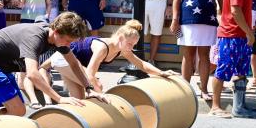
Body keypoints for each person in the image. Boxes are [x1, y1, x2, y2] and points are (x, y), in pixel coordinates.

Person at [0, 12, 94, 116]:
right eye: (67, 41)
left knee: (18, 111)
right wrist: (59, 98)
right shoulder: (35, 37)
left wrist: (89, 88)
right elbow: (32, 74)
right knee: (17, 110)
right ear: (56, 31)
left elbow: (74, 64)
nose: (68, 45)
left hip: (0, 65)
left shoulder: (57, 39)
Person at [42, 20, 177, 98]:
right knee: (96, 86)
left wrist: (161, 73)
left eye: (134, 45)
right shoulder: (102, 47)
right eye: (130, 44)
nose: (131, 47)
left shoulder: (123, 49)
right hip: (64, 58)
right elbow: (89, 74)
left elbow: (141, 64)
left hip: (73, 62)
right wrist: (101, 94)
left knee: (79, 99)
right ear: (120, 38)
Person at [209, 0, 256, 119]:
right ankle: (215, 106)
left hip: (239, 35)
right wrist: (249, 32)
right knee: (223, 70)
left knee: (241, 70)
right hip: (231, 35)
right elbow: (235, 11)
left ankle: (239, 106)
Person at [170, 0, 221, 101]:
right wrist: (174, 19)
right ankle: (186, 90)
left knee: (204, 55)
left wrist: (224, 15)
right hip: (188, 20)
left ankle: (204, 89)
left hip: (208, 20)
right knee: (188, 54)